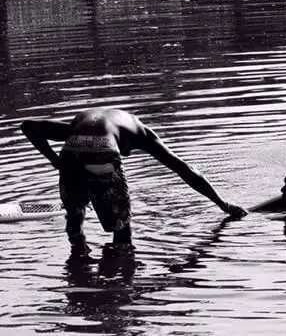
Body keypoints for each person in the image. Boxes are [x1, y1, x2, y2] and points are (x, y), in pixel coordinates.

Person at [20, 108, 247, 258]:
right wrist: (222, 203)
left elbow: (29, 126)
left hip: (70, 153)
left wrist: (57, 162)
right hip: (103, 151)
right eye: (129, 152)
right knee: (122, 228)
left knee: (75, 213)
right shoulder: (141, 132)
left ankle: (78, 262)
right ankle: (120, 273)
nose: (127, 154)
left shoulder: (82, 122)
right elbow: (184, 168)